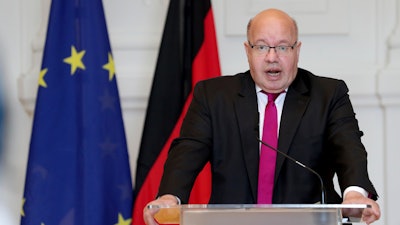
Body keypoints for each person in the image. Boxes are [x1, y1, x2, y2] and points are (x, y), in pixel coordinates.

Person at [143, 8, 381, 225]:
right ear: (248, 51)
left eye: (283, 47)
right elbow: (187, 150)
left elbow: (349, 146)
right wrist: (169, 196)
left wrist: (354, 193)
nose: (272, 57)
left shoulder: (328, 95)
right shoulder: (213, 96)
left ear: (297, 51)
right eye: (261, 46)